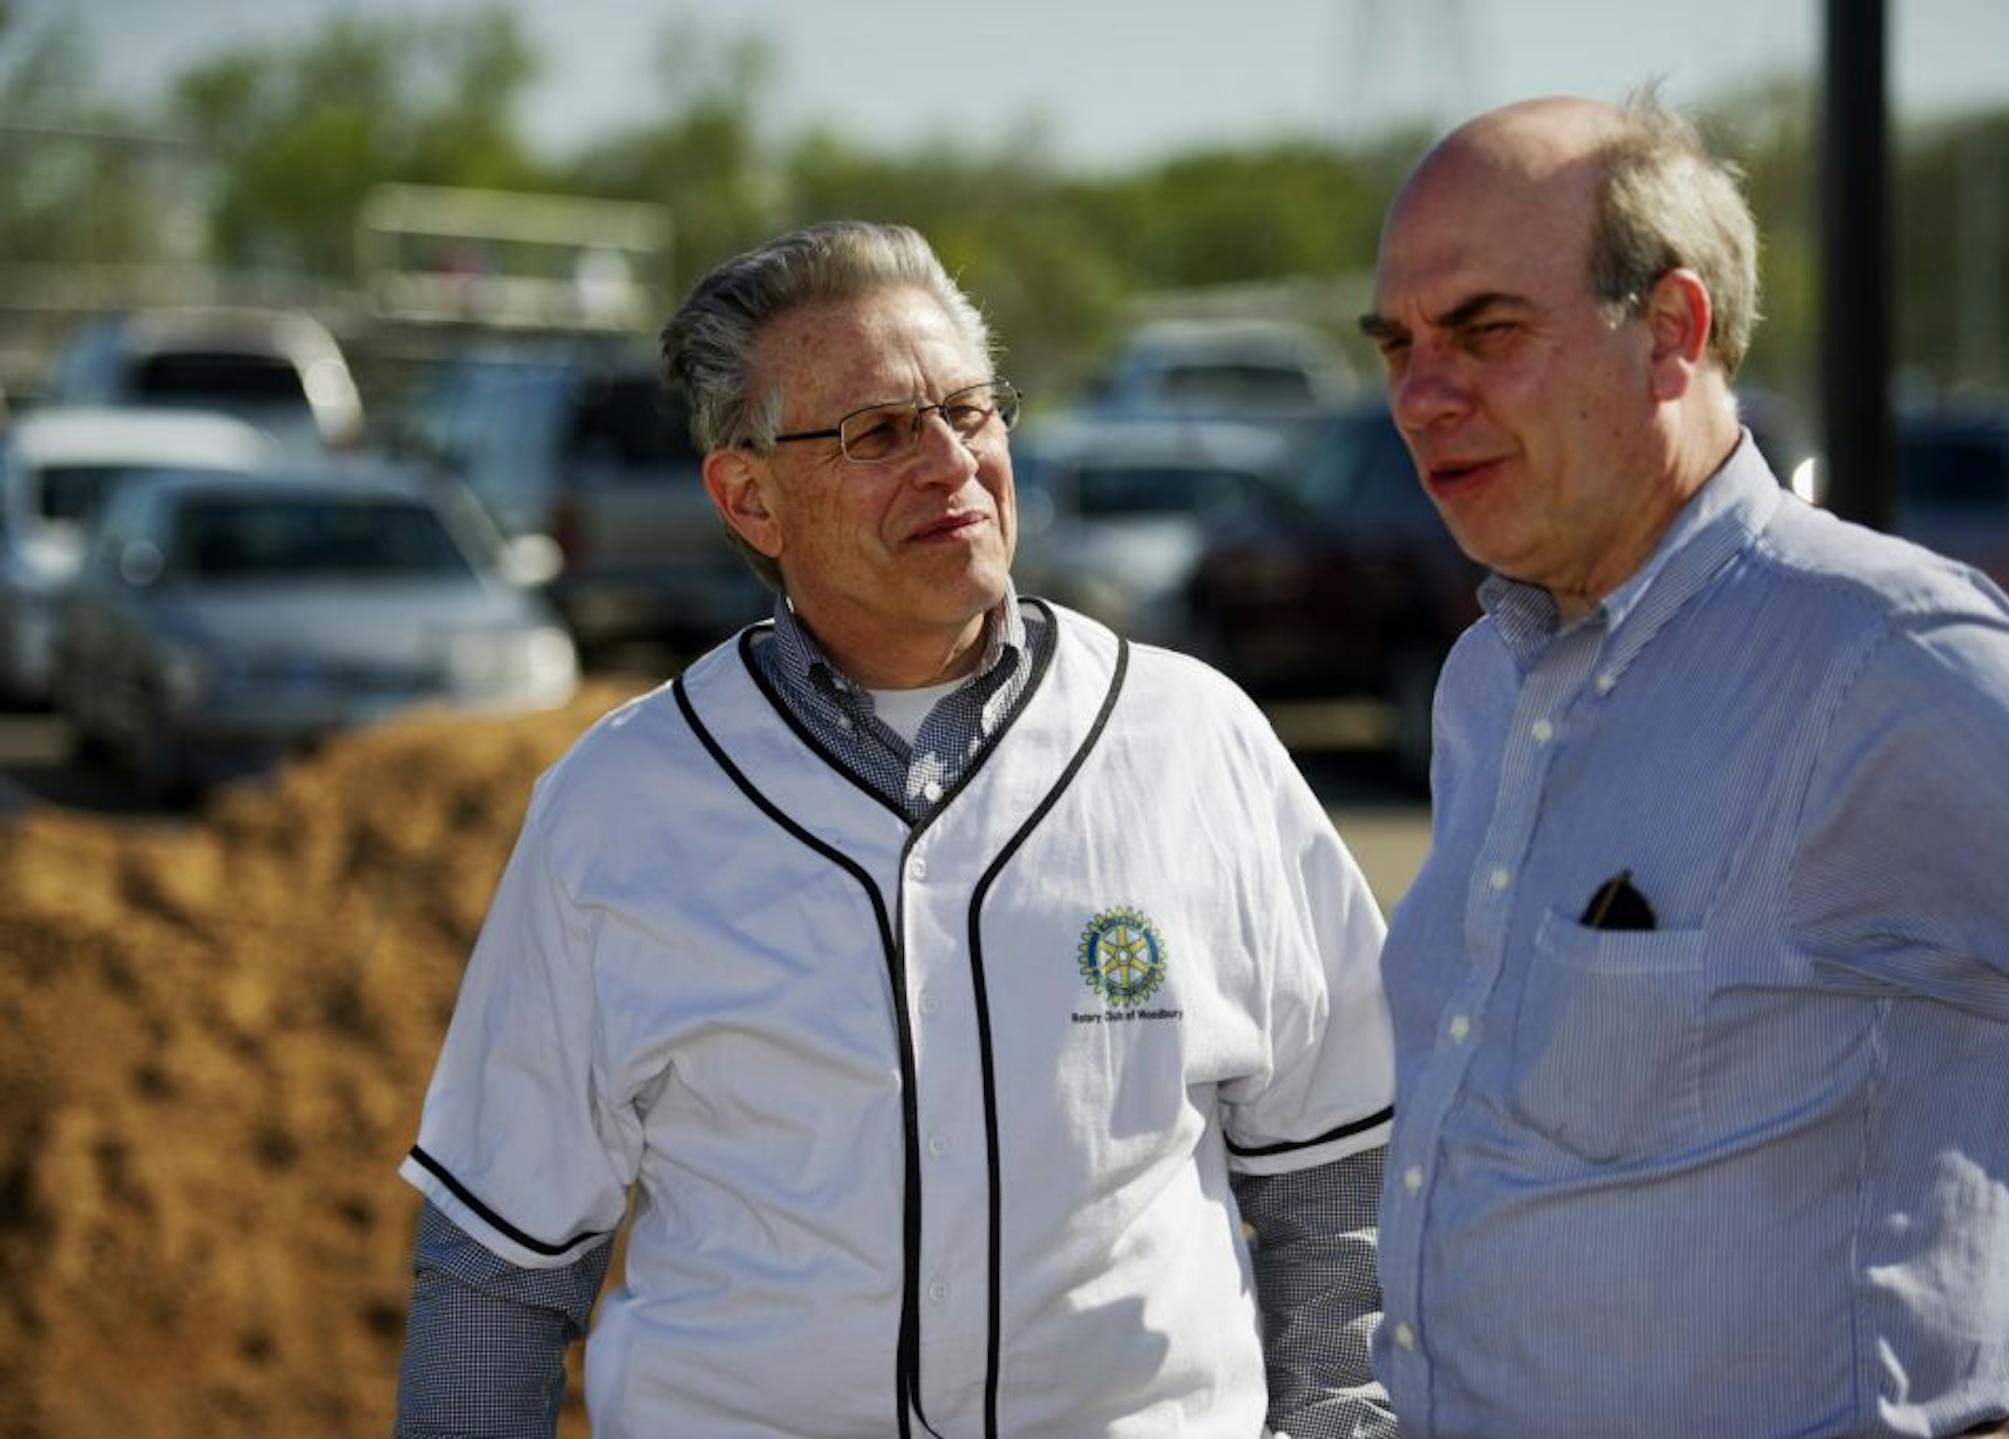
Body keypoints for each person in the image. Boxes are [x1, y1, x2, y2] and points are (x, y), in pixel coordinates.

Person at [393, 219, 1398, 1438]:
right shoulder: (620, 803)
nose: (950, 464)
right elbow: (500, 1256)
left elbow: (1336, 1171)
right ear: (748, 495)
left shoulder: (1194, 738)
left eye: (971, 411)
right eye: (878, 432)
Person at [1360, 93, 2009, 1438]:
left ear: (1670, 330)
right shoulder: (1490, 676)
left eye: (1488, 332)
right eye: (1397, 346)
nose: (1423, 396)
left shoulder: (1882, 659)